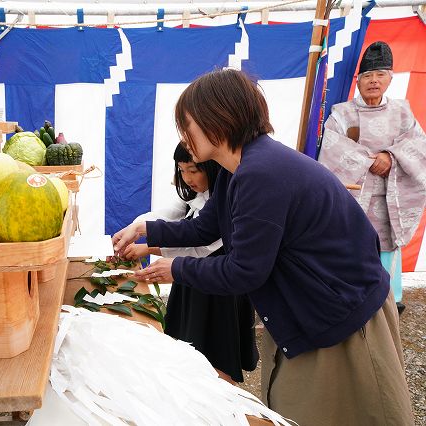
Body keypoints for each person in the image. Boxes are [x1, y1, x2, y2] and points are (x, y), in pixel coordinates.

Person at [112, 69, 414, 426]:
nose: (184, 136)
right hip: (309, 305)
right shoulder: (234, 168)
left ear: (218, 120)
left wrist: (174, 269)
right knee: (291, 405)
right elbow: (206, 227)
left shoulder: (260, 172)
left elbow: (245, 270)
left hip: (341, 313)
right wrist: (145, 228)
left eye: (187, 124)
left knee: (343, 412)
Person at [121, 143, 258, 385]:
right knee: (188, 347)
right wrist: (137, 227)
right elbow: (169, 215)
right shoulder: (195, 194)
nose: (188, 178)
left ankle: (224, 407)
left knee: (216, 355)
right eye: (182, 170)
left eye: (194, 170)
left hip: (217, 289)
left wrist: (152, 249)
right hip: (190, 279)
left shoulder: (225, 195)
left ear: (211, 166)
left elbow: (202, 246)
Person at [319, 41, 426, 314]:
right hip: (354, 199)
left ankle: (389, 303)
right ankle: (351, 304)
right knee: (350, 249)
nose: (373, 81)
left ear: (390, 78)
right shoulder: (341, 113)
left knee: (387, 253)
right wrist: (370, 160)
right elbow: (331, 149)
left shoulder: (403, 111)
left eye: (380, 75)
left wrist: (391, 157)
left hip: (391, 200)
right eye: (367, 76)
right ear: (358, 80)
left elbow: (417, 147)